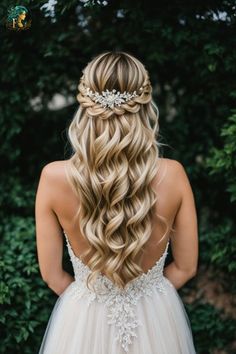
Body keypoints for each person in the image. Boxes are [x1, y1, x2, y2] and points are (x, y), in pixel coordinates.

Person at [35, 51, 198, 353]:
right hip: (157, 316)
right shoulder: (173, 174)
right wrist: (148, 301)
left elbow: (51, 274)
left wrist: (89, 306)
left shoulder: (53, 177)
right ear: (145, 104)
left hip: (81, 318)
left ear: (85, 103)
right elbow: (186, 267)